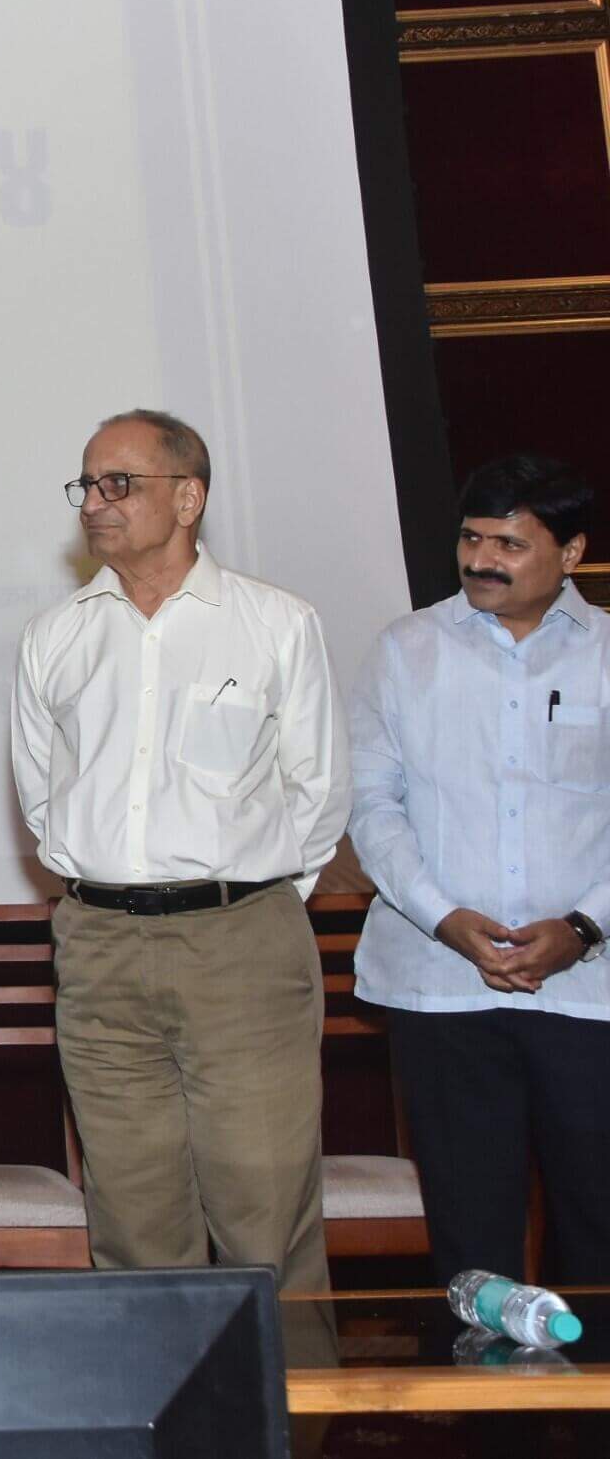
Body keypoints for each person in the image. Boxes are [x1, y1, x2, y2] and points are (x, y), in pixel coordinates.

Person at [11, 409, 348, 1293]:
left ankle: (289, 1390)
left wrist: (249, 902)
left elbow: (318, 792)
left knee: (265, 1219)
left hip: (240, 944)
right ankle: (160, 1390)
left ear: (189, 498)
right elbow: (44, 799)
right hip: (98, 945)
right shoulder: (56, 635)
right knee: (133, 1225)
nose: (95, 502)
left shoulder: (276, 623)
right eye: (88, 485)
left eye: (119, 483)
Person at [349, 453, 608, 1284]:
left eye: (509, 543)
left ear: (571, 553)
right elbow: (371, 804)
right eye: (471, 538)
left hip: (590, 991)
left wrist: (583, 927)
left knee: (599, 1230)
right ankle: (483, 1378)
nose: (481, 560)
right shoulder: (406, 648)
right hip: (443, 988)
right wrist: (443, 918)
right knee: (471, 1243)